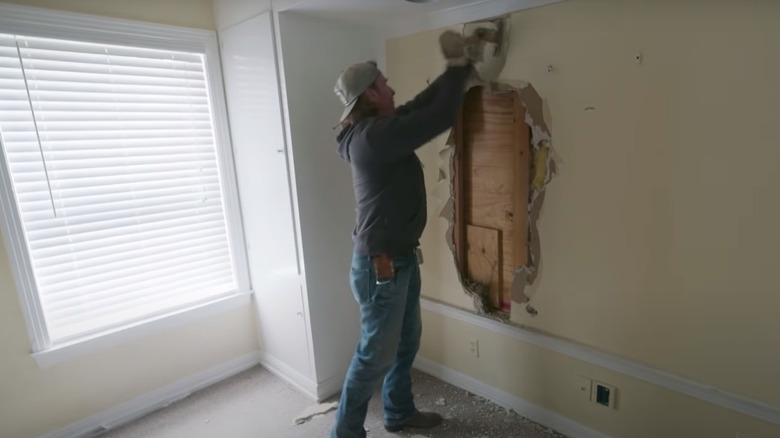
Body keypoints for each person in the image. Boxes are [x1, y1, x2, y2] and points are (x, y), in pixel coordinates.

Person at [330, 30, 482, 438]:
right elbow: (435, 118)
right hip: (381, 267)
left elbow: (417, 107)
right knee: (372, 357)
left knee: (404, 343)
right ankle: (344, 433)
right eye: (384, 84)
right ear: (371, 96)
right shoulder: (373, 139)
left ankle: (398, 413)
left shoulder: (374, 129)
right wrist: (458, 69)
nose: (392, 88)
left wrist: (456, 73)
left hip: (397, 259)